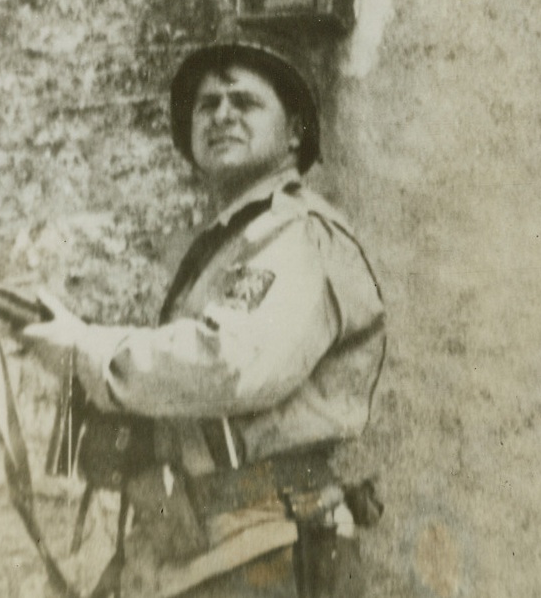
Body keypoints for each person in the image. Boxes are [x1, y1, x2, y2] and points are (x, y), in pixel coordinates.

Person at [24, 34, 385, 598]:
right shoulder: (231, 243)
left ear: (294, 133)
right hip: (200, 543)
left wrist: (87, 350)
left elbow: (228, 366)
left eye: (244, 102)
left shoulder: (298, 233)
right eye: (207, 104)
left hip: (262, 544)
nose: (221, 115)